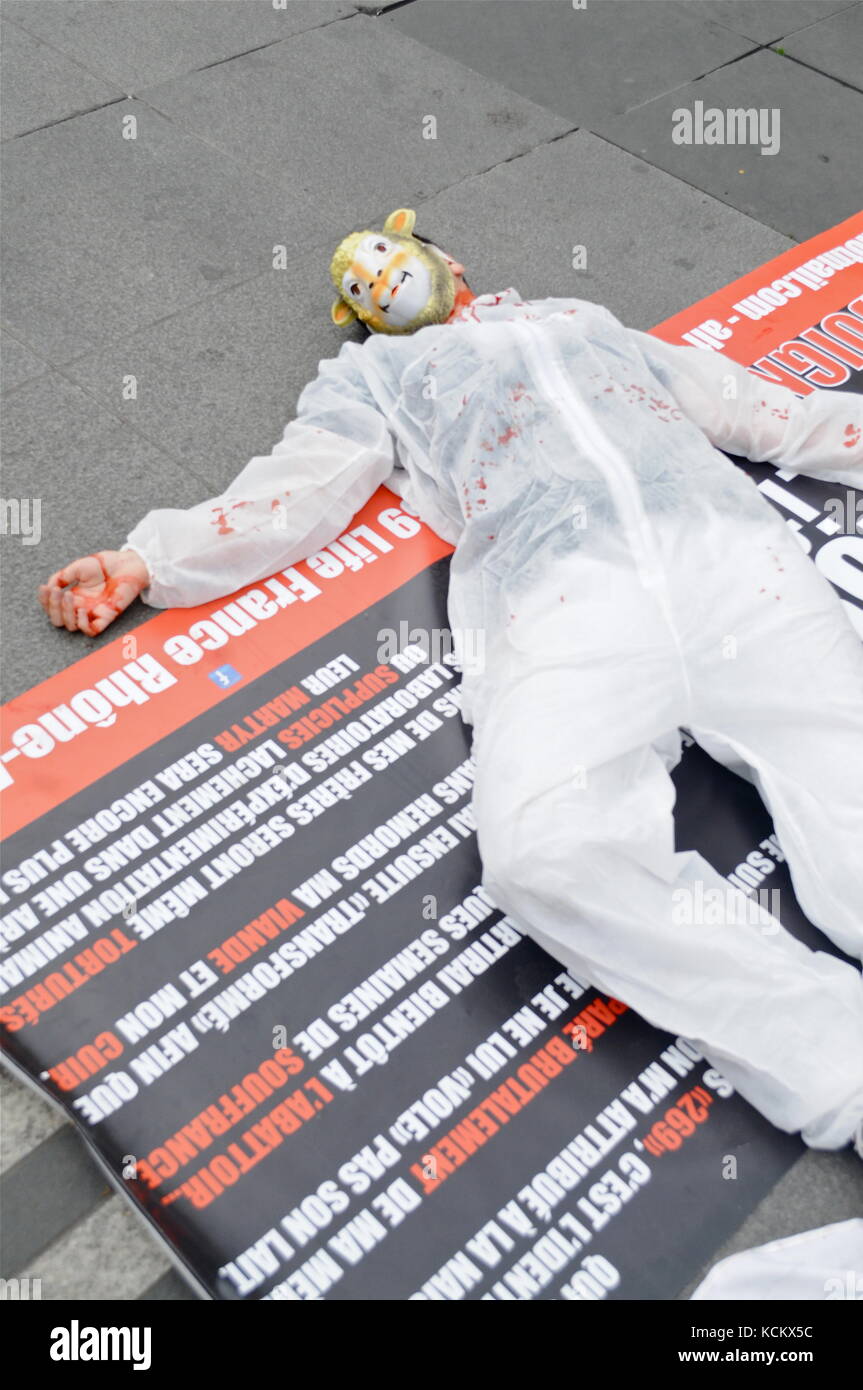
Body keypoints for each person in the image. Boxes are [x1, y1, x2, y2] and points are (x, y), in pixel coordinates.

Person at [38, 208, 863, 1157]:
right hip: (561, 602)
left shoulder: (581, 320)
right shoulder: (374, 376)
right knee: (543, 850)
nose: (374, 277)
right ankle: (829, 1057)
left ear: (446, 258)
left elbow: (755, 409)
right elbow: (300, 484)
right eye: (357, 284)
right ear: (359, 319)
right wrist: (155, 559)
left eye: (384, 255)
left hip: (733, 566)